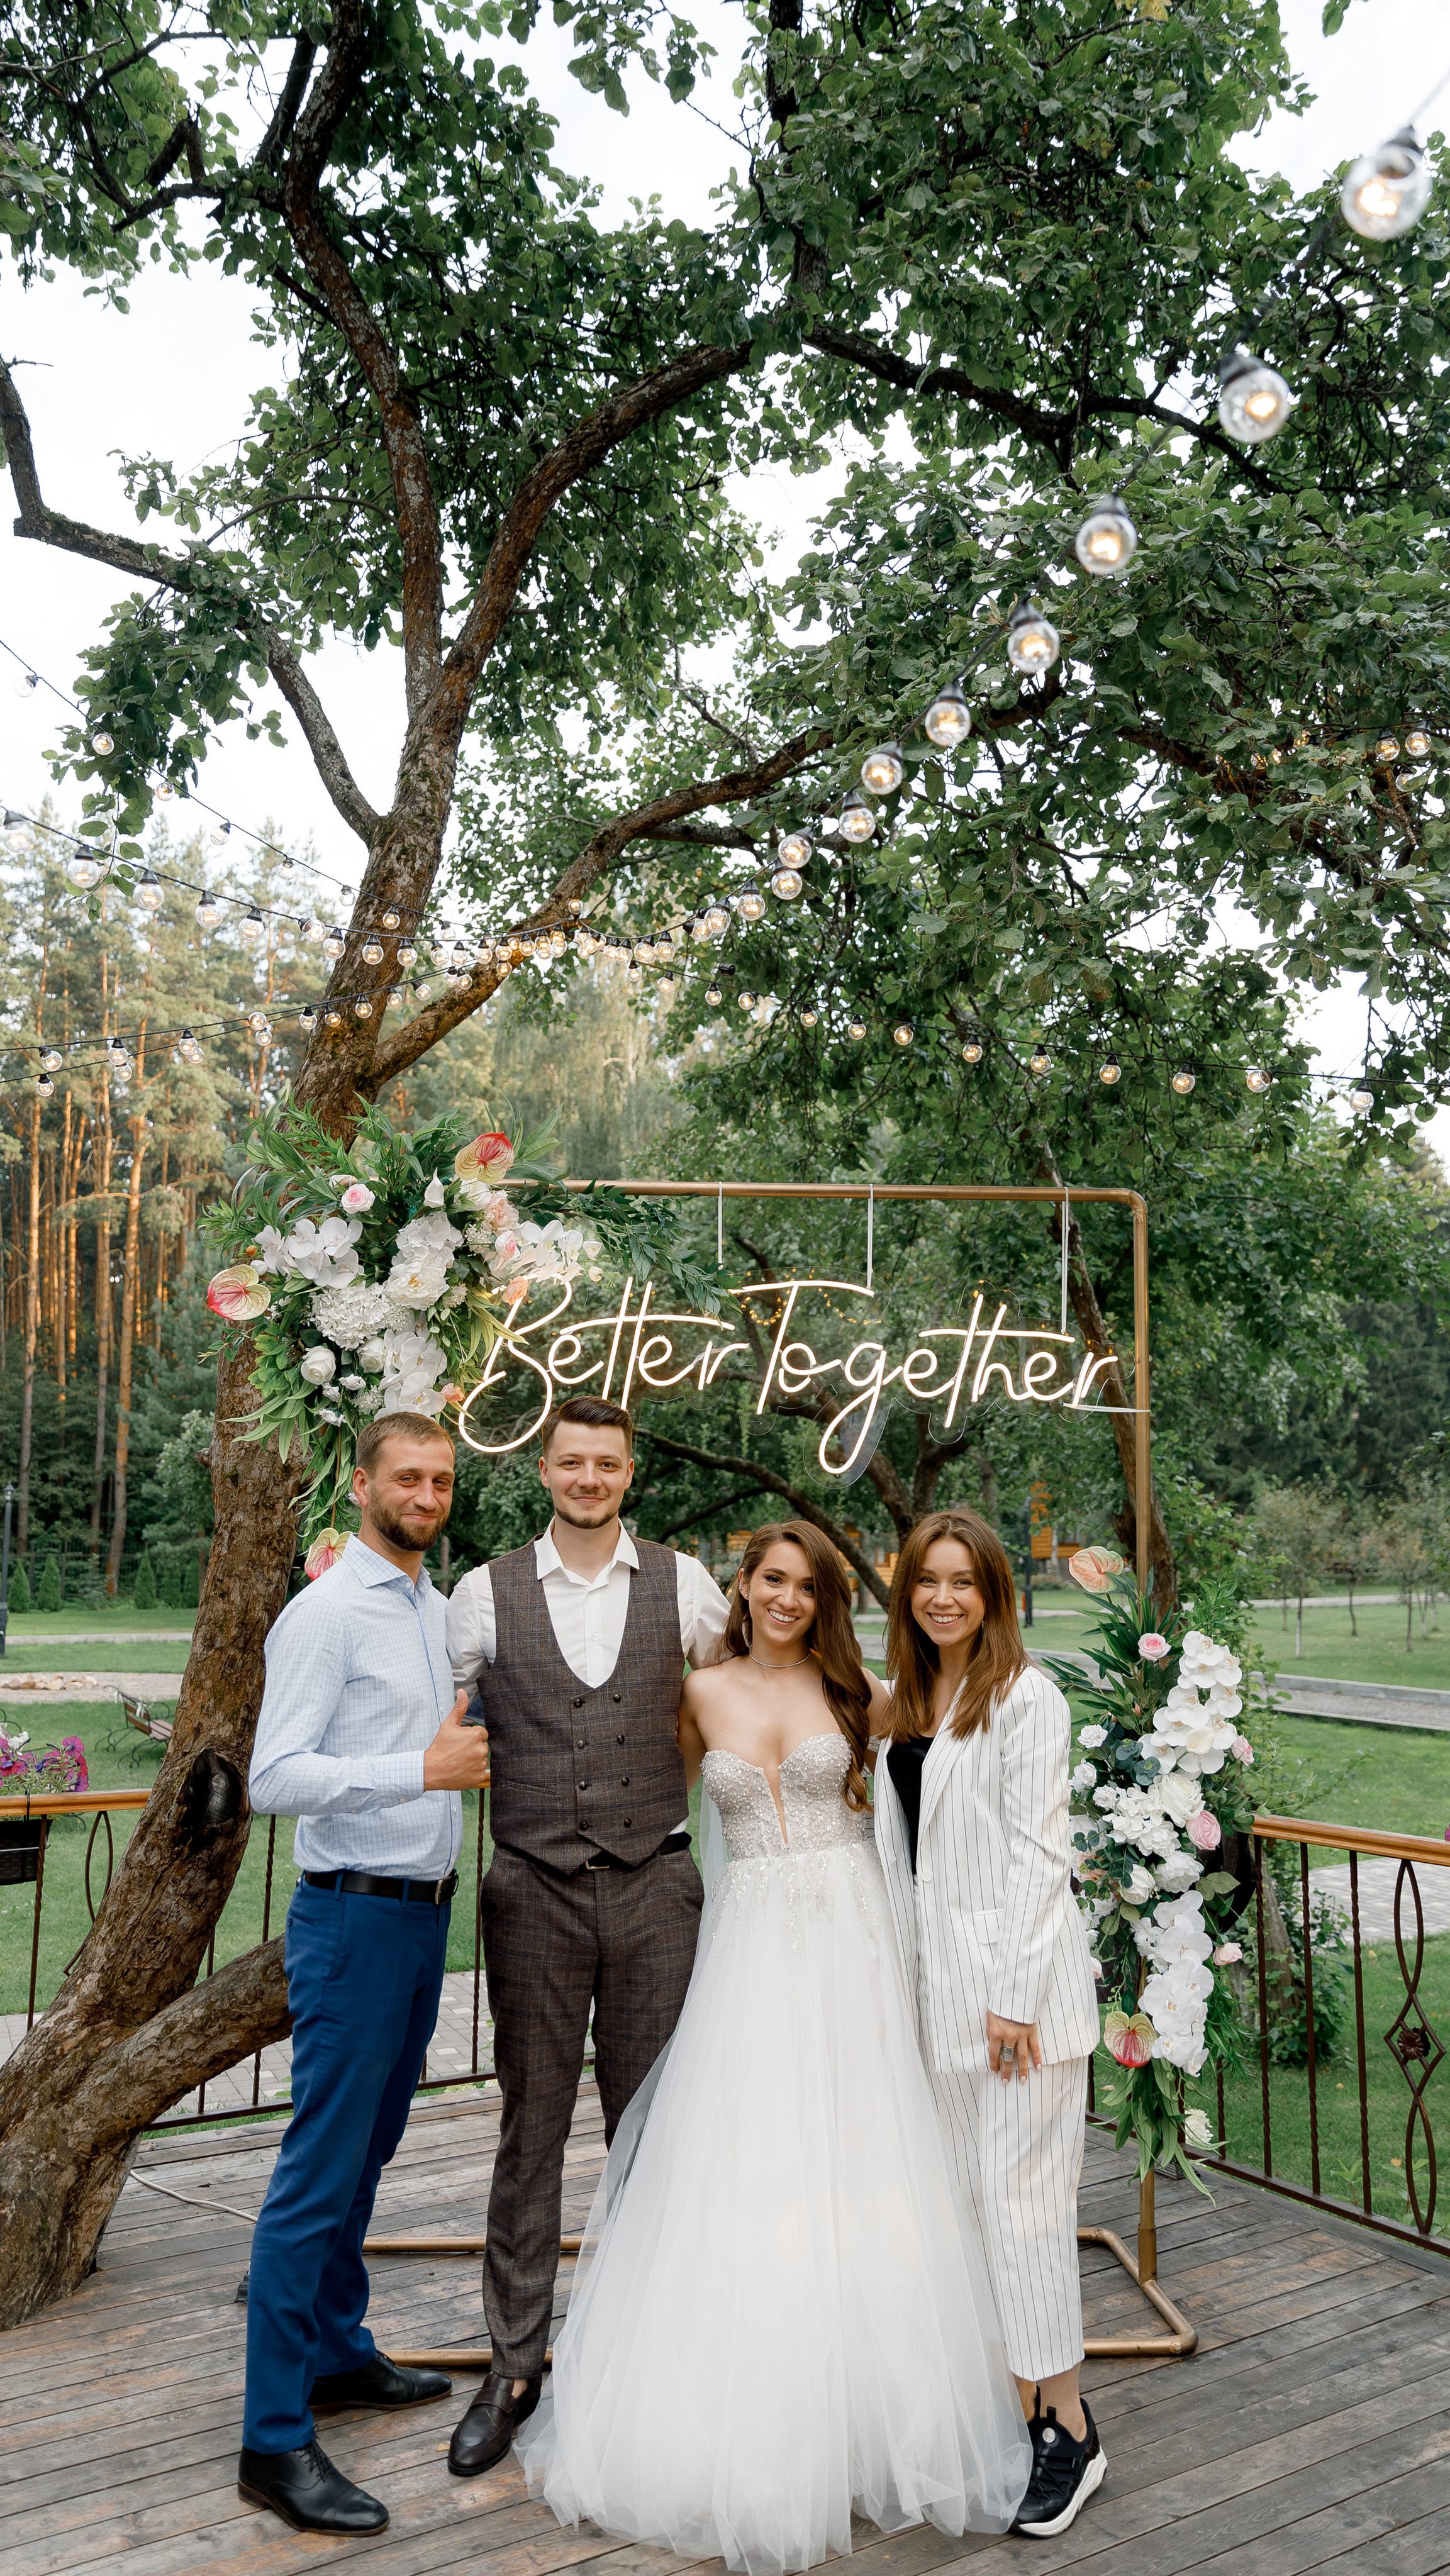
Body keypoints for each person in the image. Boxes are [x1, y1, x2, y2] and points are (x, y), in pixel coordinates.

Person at [516, 1521, 1032, 2573]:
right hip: (748, 1949)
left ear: (825, 1599)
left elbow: (951, 1794)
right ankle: (752, 2418)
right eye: (771, 1581)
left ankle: (879, 2411)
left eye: (806, 1586)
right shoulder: (697, 1697)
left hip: (853, 1946)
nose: (788, 1600)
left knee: (866, 2161)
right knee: (750, 2165)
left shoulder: (863, 1697)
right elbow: (638, 1795)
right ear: (740, 1590)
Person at [443, 1393, 730, 2477]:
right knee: (530, 2134)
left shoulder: (686, 1584)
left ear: (629, 1475)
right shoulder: (483, 1595)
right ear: (545, 1471)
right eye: (571, 1463)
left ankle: (666, 2359)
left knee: (653, 2134)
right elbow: (437, 1714)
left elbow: (743, 1688)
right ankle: (514, 2367)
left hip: (656, 1886)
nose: (588, 1480)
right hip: (532, 1894)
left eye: (605, 1465)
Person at [238, 1414, 490, 2538]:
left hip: (421, 1924)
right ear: (364, 1486)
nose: (426, 1493)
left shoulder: (440, 1615)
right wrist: (419, 1768)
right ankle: (274, 2441)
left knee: (369, 2155)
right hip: (347, 1920)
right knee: (314, 2176)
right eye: (408, 1477)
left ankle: (339, 2350)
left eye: (440, 1478)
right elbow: (273, 1777)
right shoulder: (326, 1612)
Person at [873, 1509, 1105, 2541]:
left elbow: (1037, 1858)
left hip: (1019, 2012)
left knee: (1023, 2218)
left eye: (964, 1581)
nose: (944, 1598)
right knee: (969, 2217)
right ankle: (1015, 2408)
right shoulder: (908, 1702)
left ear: (994, 1592)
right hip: (936, 2008)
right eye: (928, 1580)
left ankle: (1070, 2428)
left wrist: (1010, 1996)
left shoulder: (1026, 1697)